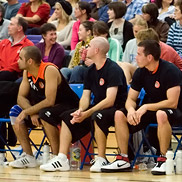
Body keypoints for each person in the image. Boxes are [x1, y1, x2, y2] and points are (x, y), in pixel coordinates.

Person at [39, 37, 127, 172]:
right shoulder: (90, 70)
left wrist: (88, 113)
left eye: (89, 46)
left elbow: (110, 100)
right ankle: (62, 158)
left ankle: (101, 158)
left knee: (98, 115)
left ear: (96, 50)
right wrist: (80, 110)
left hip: (116, 109)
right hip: (98, 107)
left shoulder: (113, 69)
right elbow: (86, 97)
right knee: (67, 116)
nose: (86, 48)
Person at [101, 40, 182, 175]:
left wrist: (145, 107)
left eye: (138, 54)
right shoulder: (140, 72)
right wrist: (131, 110)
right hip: (151, 109)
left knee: (161, 114)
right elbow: (131, 99)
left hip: (175, 111)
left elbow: (172, 102)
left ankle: (163, 159)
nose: (135, 57)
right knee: (119, 114)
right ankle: (124, 158)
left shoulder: (170, 70)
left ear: (149, 57)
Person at [9, 46, 79, 168]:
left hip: (67, 106)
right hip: (42, 109)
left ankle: (56, 157)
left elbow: (50, 101)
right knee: (15, 112)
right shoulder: (27, 72)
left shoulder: (49, 69)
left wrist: (29, 111)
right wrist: (31, 112)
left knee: (45, 114)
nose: (17, 61)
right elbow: (20, 97)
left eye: (20, 58)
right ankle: (28, 156)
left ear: (30, 61)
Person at [0, 16, 34, 81]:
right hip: (2, 73)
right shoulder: (4, 42)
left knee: (6, 74)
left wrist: (2, 71)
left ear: (19, 28)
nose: (8, 27)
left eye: (11, 24)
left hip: (14, 75)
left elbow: (19, 66)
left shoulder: (28, 45)